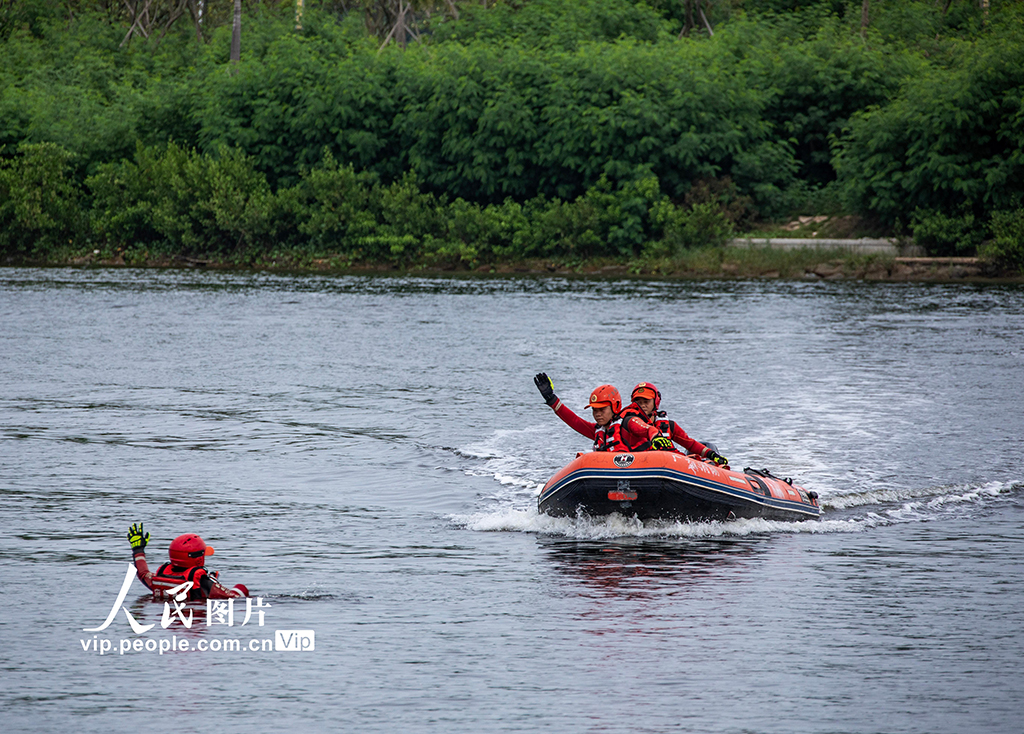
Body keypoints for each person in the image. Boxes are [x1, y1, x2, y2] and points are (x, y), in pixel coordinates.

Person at [127, 523, 249, 600]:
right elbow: (234, 597)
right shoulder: (202, 582)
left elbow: (143, 573)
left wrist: (138, 550)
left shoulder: (161, 576)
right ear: (198, 559)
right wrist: (241, 588)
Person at [619, 382, 730, 465]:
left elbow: (689, 443)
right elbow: (645, 429)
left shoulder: (668, 425)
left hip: (668, 468)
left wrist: (711, 454)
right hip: (641, 465)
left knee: (705, 461)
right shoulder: (631, 422)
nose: (642, 405)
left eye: (646, 402)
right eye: (638, 402)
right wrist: (654, 436)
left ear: (655, 402)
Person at [533, 373, 628, 452]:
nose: (598, 414)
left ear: (615, 406)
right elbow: (574, 421)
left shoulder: (628, 426)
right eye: (594, 410)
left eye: (602, 409)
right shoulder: (597, 430)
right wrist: (551, 399)